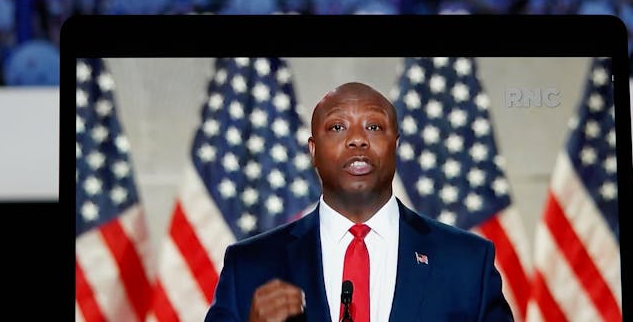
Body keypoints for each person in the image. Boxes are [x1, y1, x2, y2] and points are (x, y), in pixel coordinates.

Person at [204, 82, 514, 322]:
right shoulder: (249, 265)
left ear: (396, 144)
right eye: (337, 127)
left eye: (374, 127)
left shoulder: (466, 261)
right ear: (312, 150)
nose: (357, 139)